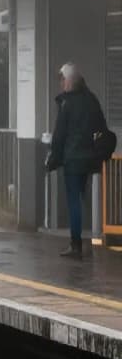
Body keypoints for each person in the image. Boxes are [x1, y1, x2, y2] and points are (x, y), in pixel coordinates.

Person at [46, 62, 107, 259]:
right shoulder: (92, 100)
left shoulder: (67, 103)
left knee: (74, 202)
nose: (61, 84)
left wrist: (52, 160)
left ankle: (76, 244)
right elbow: (101, 128)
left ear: (69, 80)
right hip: (89, 160)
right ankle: (90, 239)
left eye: (62, 80)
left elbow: (59, 135)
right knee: (84, 199)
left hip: (72, 159)